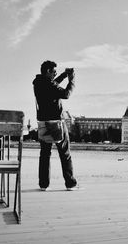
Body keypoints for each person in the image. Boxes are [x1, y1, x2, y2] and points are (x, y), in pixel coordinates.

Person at [33, 60, 78, 191]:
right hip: (56, 123)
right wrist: (71, 80)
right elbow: (66, 94)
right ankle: (70, 183)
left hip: (43, 123)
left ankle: (43, 184)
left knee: (45, 155)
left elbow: (53, 84)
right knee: (65, 154)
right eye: (54, 72)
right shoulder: (49, 85)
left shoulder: (38, 83)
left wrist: (64, 75)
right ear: (48, 71)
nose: (55, 74)